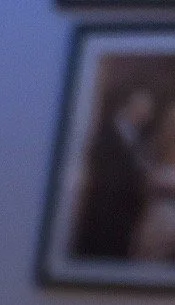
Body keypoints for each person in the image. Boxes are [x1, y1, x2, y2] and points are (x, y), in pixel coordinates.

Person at [70, 85, 155, 261]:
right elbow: (105, 174)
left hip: (124, 216)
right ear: (130, 106)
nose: (147, 116)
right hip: (103, 212)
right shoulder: (106, 134)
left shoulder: (139, 138)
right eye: (144, 109)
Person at [131, 99, 175, 263]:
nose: (174, 126)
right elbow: (141, 183)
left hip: (173, 216)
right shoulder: (153, 147)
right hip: (151, 213)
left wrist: (166, 189)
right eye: (170, 121)